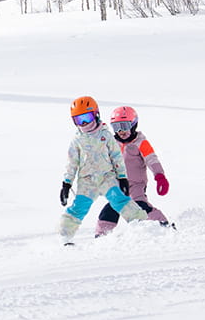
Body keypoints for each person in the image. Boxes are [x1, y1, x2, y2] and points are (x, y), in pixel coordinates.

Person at [58, 96, 144, 245]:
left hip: (107, 177)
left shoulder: (106, 135)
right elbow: (72, 163)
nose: (84, 123)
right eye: (79, 120)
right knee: (79, 207)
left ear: (96, 114)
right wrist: (67, 183)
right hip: (87, 181)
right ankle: (65, 236)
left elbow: (116, 157)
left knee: (120, 200)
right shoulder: (77, 140)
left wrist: (122, 177)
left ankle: (141, 225)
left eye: (86, 117)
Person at [95, 106, 173, 236]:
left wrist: (160, 177)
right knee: (111, 208)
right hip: (118, 186)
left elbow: (152, 160)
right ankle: (102, 235)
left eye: (124, 126)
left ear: (133, 124)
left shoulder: (141, 143)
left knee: (139, 206)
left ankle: (164, 226)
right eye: (116, 127)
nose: (121, 131)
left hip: (136, 185)